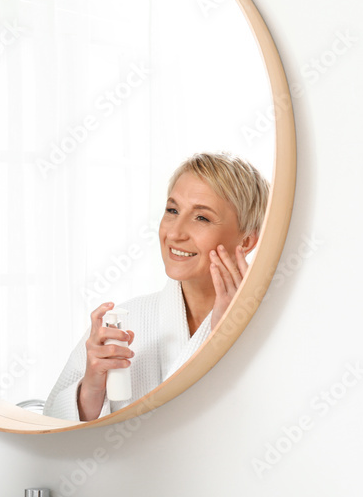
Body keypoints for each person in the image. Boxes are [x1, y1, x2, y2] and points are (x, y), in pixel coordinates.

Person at [43, 152, 270, 421]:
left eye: (201, 218)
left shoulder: (268, 326)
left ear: (246, 241)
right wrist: (91, 388)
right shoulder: (124, 323)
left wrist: (225, 340)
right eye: (172, 211)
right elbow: (53, 422)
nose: (174, 233)